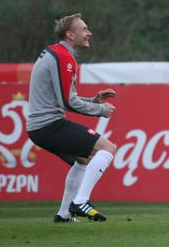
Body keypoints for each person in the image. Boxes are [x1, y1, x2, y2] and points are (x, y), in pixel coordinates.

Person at [27, 13, 117, 222]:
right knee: (107, 148)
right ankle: (79, 202)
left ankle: (64, 214)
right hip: (49, 125)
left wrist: (94, 100)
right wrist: (100, 110)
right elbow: (68, 102)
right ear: (70, 34)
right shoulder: (64, 58)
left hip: (40, 127)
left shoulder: (56, 53)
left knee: (84, 160)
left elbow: (63, 98)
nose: (89, 33)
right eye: (84, 29)